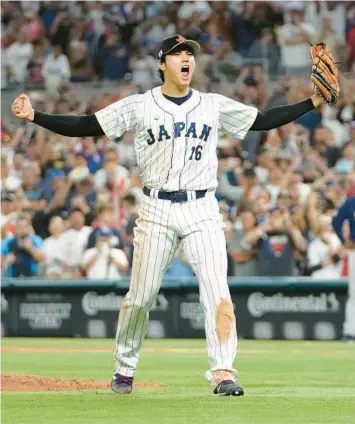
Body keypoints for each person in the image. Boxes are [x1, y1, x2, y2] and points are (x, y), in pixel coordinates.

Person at [12, 34, 331, 397]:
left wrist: (312, 101)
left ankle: (223, 372)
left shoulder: (211, 104)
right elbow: (87, 125)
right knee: (141, 296)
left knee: (217, 290)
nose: (186, 59)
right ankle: (124, 367)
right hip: (156, 208)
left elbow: (262, 119)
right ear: (162, 64)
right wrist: (35, 116)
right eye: (178, 53)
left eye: (190, 54)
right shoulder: (140, 106)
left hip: (202, 208)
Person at [332, 193, 355, 342]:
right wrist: (345, 240)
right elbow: (336, 221)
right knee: (354, 294)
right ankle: (350, 331)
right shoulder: (351, 202)